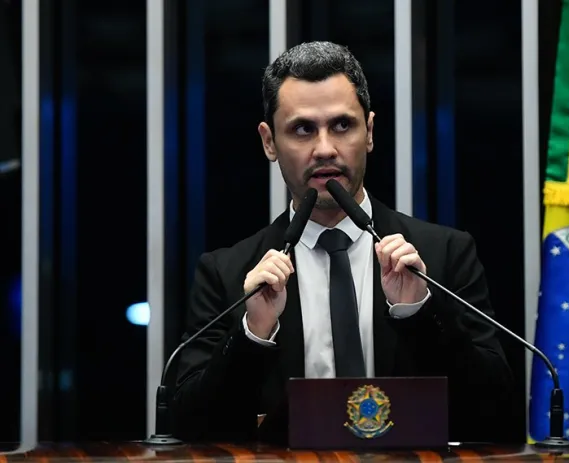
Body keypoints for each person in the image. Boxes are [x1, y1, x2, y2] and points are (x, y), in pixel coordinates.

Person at [172, 41, 513, 445]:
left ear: (369, 132)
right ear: (269, 142)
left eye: (342, 126)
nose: (325, 149)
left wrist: (419, 312)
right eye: (303, 129)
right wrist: (254, 333)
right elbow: (190, 428)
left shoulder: (445, 254)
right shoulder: (227, 273)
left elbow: (497, 414)